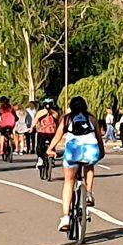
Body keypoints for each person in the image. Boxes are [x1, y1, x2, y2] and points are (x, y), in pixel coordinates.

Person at [47, 96, 105, 232]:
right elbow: (98, 137)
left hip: (73, 152)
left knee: (69, 181)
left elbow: (57, 136)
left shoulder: (67, 119)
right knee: (89, 165)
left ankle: (66, 217)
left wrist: (50, 149)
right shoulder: (92, 118)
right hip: (91, 151)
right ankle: (89, 193)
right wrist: (101, 152)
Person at [30, 98, 60, 168]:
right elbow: (58, 123)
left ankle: (41, 158)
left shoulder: (41, 112)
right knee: (51, 145)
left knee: (40, 146)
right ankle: (47, 159)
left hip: (43, 132)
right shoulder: (54, 113)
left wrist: (31, 127)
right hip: (49, 132)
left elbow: (35, 120)